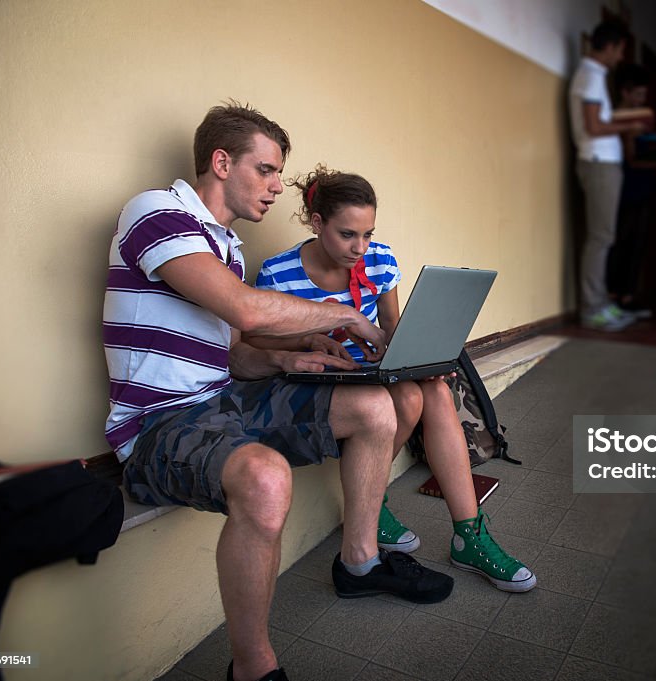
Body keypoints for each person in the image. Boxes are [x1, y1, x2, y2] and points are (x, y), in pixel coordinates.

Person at [103, 102, 452, 681]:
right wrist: (342, 316)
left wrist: (291, 357)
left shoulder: (228, 245)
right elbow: (241, 306)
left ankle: (361, 563)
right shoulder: (156, 212)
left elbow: (236, 351)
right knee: (266, 479)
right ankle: (254, 669)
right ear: (220, 162)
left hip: (224, 399)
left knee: (372, 405)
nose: (276, 187)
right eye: (265, 170)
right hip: (157, 424)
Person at [253, 165, 537, 593]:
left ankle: (469, 535)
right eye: (348, 234)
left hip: (369, 372)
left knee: (434, 391)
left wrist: (411, 354)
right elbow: (256, 337)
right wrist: (310, 339)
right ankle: (375, 506)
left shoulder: (380, 260)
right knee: (408, 400)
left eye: (367, 234)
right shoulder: (278, 273)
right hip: (318, 381)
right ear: (317, 223)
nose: (360, 247)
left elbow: (391, 327)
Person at [568, 20, 650, 331]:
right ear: (611, 46)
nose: (621, 56)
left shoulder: (595, 76)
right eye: (621, 50)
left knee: (604, 236)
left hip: (603, 162)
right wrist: (630, 126)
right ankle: (593, 308)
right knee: (601, 237)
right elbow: (593, 127)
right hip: (599, 162)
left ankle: (601, 303)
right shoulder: (590, 76)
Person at [607, 63, 656, 315]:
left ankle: (627, 297)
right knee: (622, 243)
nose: (642, 100)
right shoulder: (621, 119)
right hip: (627, 187)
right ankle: (615, 297)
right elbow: (632, 159)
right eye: (638, 95)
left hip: (641, 186)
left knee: (636, 244)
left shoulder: (638, 118)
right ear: (626, 92)